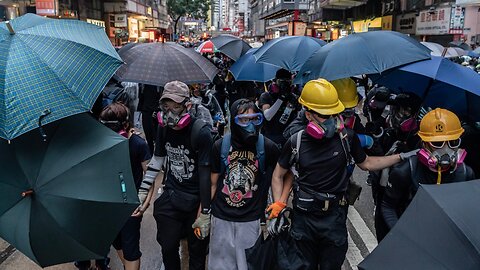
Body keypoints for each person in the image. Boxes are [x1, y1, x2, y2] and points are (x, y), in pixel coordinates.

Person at [269, 79, 416, 270]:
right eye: (324, 115)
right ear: (308, 115)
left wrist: (401, 157)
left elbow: (368, 163)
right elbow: (278, 175)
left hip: (334, 218)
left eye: (334, 113)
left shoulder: (347, 138)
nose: (331, 119)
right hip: (304, 220)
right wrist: (277, 207)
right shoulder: (296, 142)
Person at [137, 81, 212, 270]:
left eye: (176, 107)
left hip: (195, 200)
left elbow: (205, 175)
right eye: (166, 107)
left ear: (187, 106)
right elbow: (157, 160)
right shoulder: (163, 128)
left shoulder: (201, 132)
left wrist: (204, 213)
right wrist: (142, 192)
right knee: (168, 247)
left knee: (197, 254)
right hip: (172, 195)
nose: (170, 113)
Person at [207, 99, 280, 270]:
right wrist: (203, 214)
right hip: (221, 217)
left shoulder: (267, 147)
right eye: (244, 120)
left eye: (255, 119)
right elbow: (212, 183)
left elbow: (282, 174)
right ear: (233, 121)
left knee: (248, 264)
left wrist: (278, 205)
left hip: (251, 219)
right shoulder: (221, 146)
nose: (250, 125)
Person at [380, 108, 475, 232]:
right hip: (413, 236)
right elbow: (388, 206)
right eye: (438, 143)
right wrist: (400, 235)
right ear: (424, 143)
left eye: (453, 142)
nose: (446, 149)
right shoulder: (406, 171)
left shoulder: (465, 173)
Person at [99, 103, 152, 270]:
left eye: (114, 126)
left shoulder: (138, 144)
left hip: (131, 206)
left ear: (125, 125)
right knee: (118, 243)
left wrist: (144, 203)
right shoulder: (102, 143)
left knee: (131, 250)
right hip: (109, 204)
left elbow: (149, 177)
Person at [259, 68, 302, 146]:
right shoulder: (266, 96)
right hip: (270, 136)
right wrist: (281, 98)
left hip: (288, 137)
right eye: (282, 82)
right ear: (275, 82)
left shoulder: (293, 97)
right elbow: (268, 116)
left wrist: (292, 105)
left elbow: (299, 119)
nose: (284, 85)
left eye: (287, 82)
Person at [137, 84, 161, 154]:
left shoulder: (160, 85)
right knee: (148, 135)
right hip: (146, 112)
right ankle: (151, 152)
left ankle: (158, 153)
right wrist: (138, 115)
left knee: (157, 135)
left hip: (157, 112)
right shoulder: (142, 85)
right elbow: (141, 99)